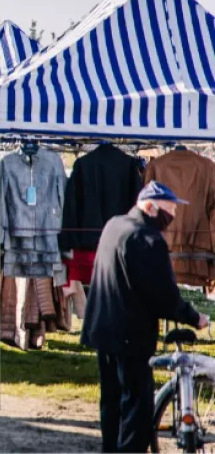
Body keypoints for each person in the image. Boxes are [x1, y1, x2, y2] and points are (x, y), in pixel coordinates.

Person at [81, 181, 209, 453]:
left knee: (112, 403)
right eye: (169, 208)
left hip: (103, 329)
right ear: (150, 207)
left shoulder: (114, 225)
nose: (172, 214)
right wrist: (194, 317)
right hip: (130, 335)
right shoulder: (147, 239)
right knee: (136, 409)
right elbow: (163, 295)